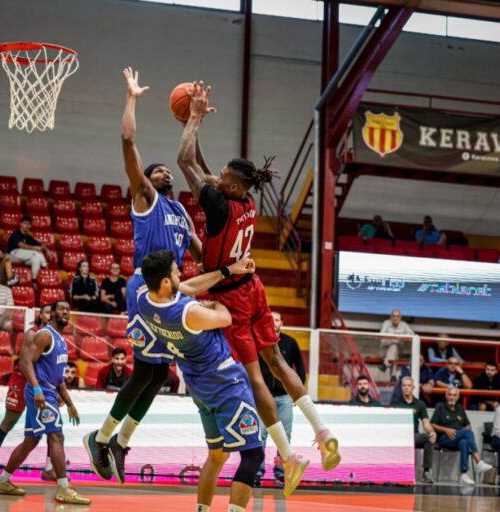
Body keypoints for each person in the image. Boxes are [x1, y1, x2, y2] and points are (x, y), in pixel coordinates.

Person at [177, 80, 339, 481]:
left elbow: (185, 162)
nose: (215, 178)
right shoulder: (244, 199)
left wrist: (192, 119)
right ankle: (323, 429)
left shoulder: (218, 203)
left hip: (231, 296)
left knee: (254, 376)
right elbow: (203, 169)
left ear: (230, 186)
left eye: (222, 178)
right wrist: (195, 121)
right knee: (279, 362)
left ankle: (288, 455)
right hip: (255, 288)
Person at [85, 67, 202, 485]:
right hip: (145, 289)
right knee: (142, 371)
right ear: (144, 183)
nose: (163, 173)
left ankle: (118, 441)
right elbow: (128, 141)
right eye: (155, 172)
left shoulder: (182, 212)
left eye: (165, 172)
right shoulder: (146, 201)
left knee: (159, 375)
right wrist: (132, 98)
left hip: (172, 291)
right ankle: (99, 440)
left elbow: (203, 255)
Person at [137, 249, 266, 508]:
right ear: (165, 282)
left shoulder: (145, 300)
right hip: (225, 384)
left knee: (217, 455)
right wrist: (212, 304)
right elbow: (226, 317)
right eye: (175, 271)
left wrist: (227, 271)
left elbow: (184, 288)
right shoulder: (189, 313)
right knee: (253, 455)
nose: (180, 274)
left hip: (199, 388)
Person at [0, 301, 90, 505]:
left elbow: (59, 378)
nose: (65, 312)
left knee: (31, 440)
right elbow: (25, 363)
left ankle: (2, 481)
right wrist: (36, 389)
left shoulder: (61, 340)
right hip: (41, 392)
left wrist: (70, 403)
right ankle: (63, 488)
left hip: (49, 391)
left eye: (68, 309)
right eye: (61, 309)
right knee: (56, 436)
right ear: (51, 313)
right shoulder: (45, 335)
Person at [0, 305, 54, 482]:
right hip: (22, 381)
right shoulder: (32, 334)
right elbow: (24, 363)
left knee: (51, 424)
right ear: (40, 315)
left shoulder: (53, 337)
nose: (50, 316)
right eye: (47, 312)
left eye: (53, 313)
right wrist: (37, 387)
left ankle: (50, 468)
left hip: (39, 383)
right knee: (9, 422)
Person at [256, 312, 306, 484]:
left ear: (281, 323)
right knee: (259, 434)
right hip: (263, 397)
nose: (273, 322)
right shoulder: (259, 342)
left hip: (284, 397)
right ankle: (257, 471)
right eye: (270, 319)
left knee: (285, 435)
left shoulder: (291, 343)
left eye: (276, 319)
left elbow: (300, 371)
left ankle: (280, 472)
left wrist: (295, 393)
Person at [430, 387, 493, 485]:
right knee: (468, 433)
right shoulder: (440, 407)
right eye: (450, 395)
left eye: (454, 395)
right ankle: (479, 462)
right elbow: (432, 424)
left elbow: (467, 424)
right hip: (444, 438)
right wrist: (446, 430)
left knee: (464, 441)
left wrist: (467, 427)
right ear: (446, 396)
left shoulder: (460, 408)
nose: (452, 397)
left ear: (458, 397)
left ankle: (463, 474)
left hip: (457, 438)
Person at [390, 377, 438, 484]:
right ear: (401, 387)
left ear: (413, 388)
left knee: (428, 438)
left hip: (413, 436)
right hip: (399, 436)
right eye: (404, 385)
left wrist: (432, 432)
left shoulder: (420, 404)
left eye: (409, 385)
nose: (406, 388)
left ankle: (426, 472)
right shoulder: (395, 402)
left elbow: (426, 423)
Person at [7, 215, 52, 280]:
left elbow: (40, 245)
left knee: (36, 259)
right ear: (21, 224)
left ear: (30, 226)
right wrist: (34, 248)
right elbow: (20, 245)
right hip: (13, 254)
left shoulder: (28, 237)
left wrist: (47, 250)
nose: (27, 226)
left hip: (23, 258)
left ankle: (34, 279)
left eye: (29, 224)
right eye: (25, 223)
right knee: (35, 253)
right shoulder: (16, 232)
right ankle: (45, 267)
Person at [379, 309, 414, 379]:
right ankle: (393, 376)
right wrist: (394, 339)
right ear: (390, 317)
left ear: (400, 318)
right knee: (394, 349)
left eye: (397, 316)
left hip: (398, 350)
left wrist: (402, 338)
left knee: (394, 347)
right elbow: (381, 338)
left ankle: (385, 364)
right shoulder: (386, 323)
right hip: (384, 349)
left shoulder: (404, 325)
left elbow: (413, 335)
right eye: (393, 316)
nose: (395, 318)